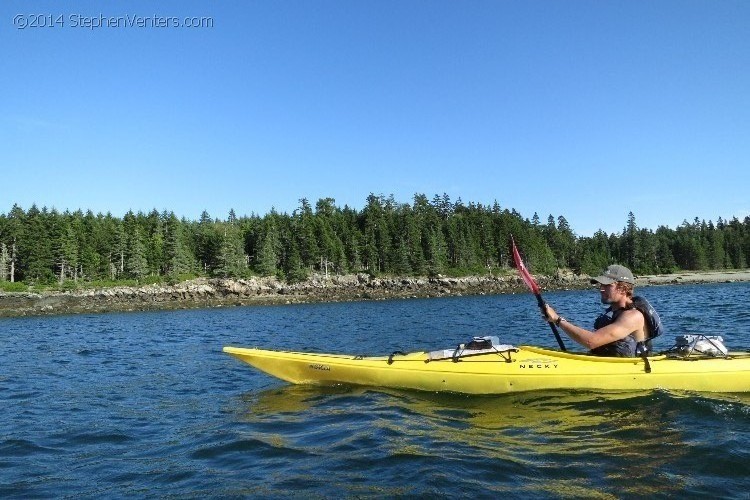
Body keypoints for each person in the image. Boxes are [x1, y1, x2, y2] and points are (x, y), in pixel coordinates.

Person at [542, 264, 657, 357]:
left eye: (607, 285)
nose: (601, 289)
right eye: (601, 285)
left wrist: (558, 320)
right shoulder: (614, 312)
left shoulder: (633, 316)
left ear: (623, 288)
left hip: (632, 370)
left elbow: (591, 342)